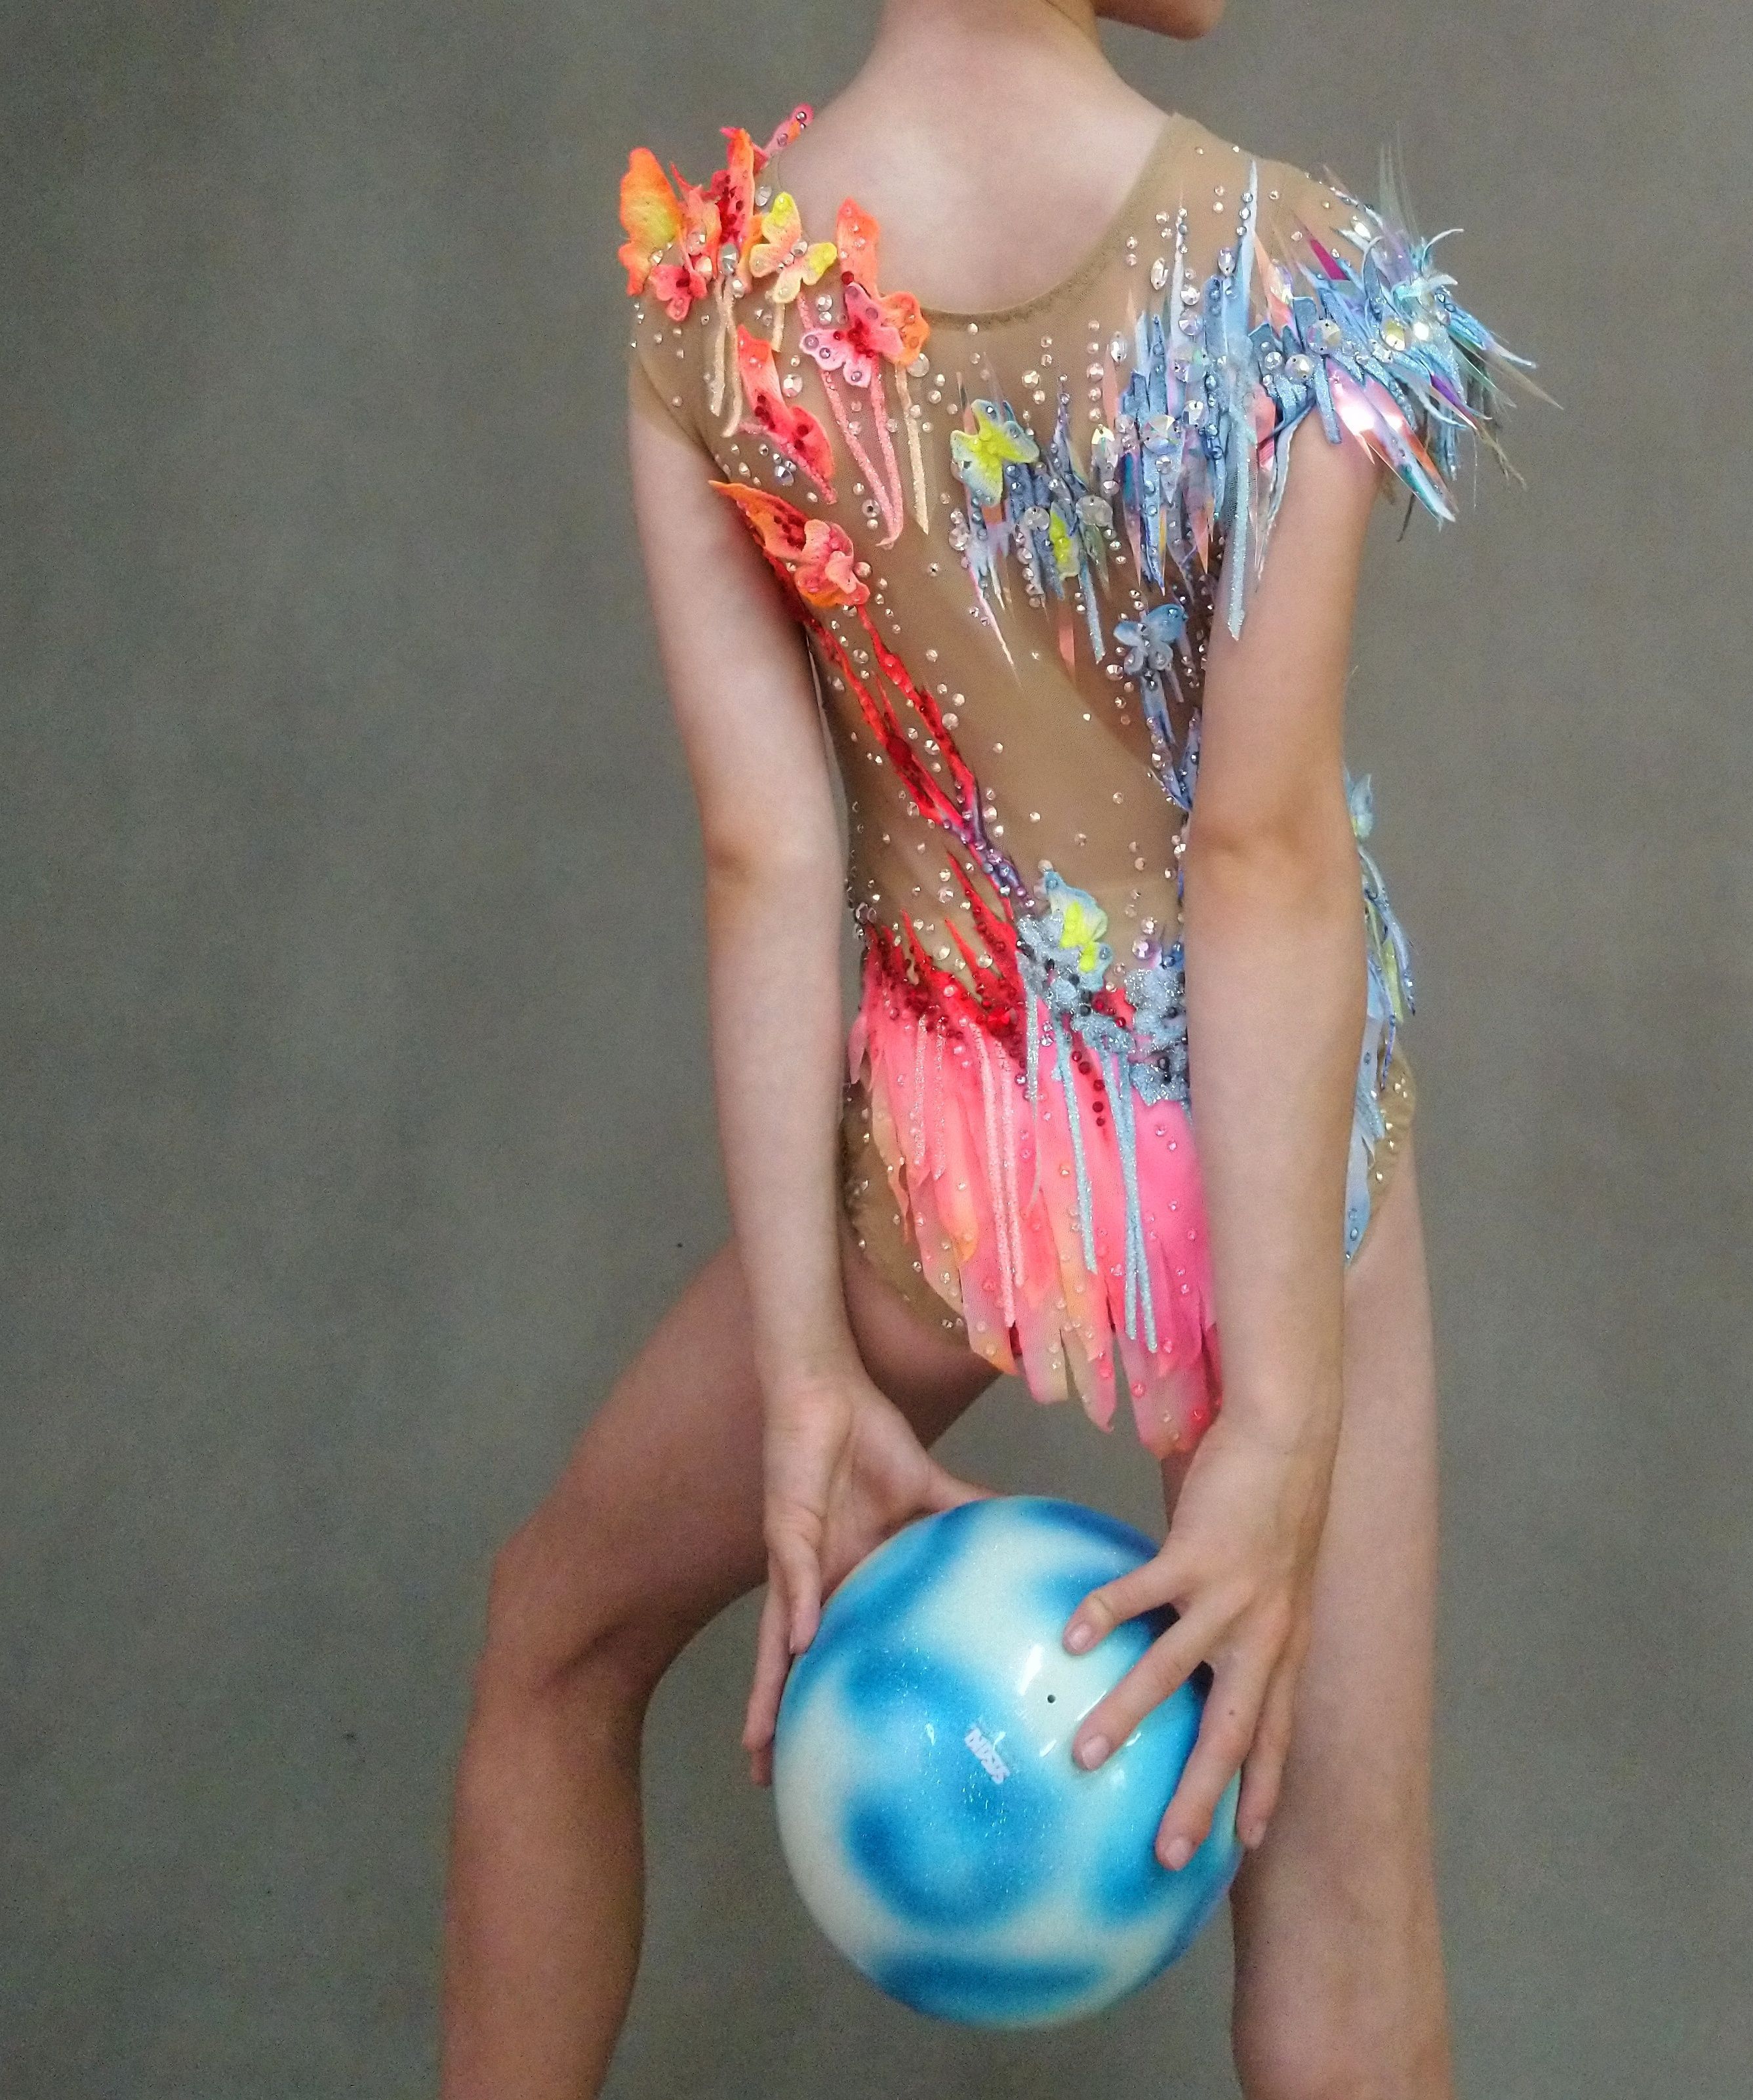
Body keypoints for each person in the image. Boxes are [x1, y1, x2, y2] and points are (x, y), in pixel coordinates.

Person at [441, 1, 1529, 2093]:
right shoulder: (1296, 272)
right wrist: (1278, 1408)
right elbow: (1260, 853)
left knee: (555, 1639)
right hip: (1263, 1169)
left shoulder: (717, 298)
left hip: (954, 1164)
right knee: (1339, 1902)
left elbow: (769, 852)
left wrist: (803, 1366)